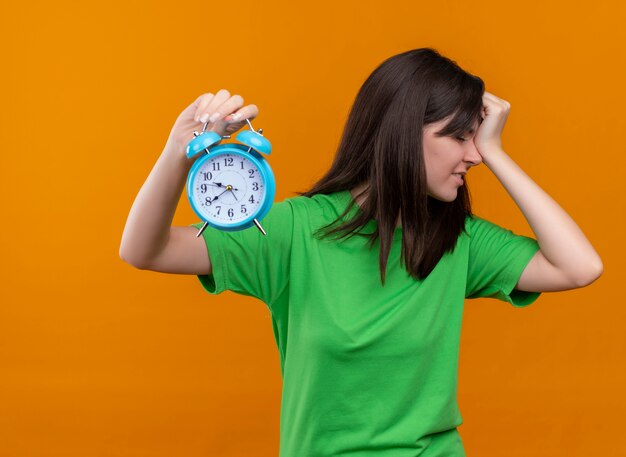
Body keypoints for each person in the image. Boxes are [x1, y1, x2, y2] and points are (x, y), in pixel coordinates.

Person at [119, 48, 603, 456]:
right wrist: (178, 150)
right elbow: (146, 249)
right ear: (401, 134)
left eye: (475, 139)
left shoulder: (459, 241)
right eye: (459, 138)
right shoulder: (295, 232)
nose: (472, 155)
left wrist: (497, 151)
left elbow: (580, 267)